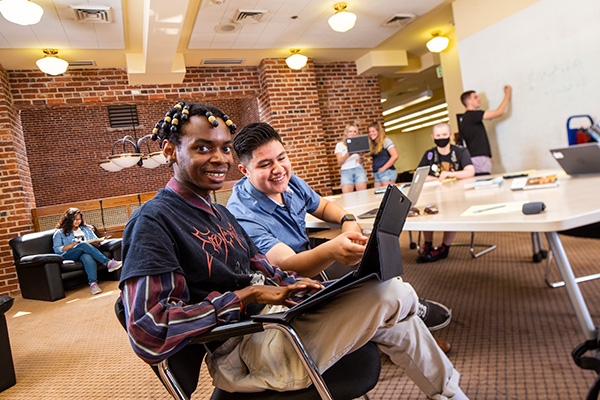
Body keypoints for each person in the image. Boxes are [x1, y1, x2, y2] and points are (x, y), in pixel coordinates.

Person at [119, 102, 469, 399]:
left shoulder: (218, 213)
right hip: (248, 349)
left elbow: (264, 269)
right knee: (392, 292)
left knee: (389, 305)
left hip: (278, 319)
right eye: (202, 148)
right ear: (169, 151)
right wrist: (248, 294)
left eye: (224, 147)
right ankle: (414, 308)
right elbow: (150, 331)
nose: (218, 158)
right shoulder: (153, 222)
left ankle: (453, 395)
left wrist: (312, 289)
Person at [227, 121, 452, 336]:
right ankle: (410, 308)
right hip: (289, 288)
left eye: (281, 158)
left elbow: (322, 206)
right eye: (265, 165)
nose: (278, 169)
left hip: (313, 266)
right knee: (384, 289)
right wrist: (333, 250)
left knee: (379, 277)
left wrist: (348, 219)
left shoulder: (290, 181)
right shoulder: (243, 214)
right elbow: (286, 265)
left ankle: (423, 339)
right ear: (244, 171)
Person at [416, 123, 475, 263]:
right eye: (438, 135)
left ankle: (444, 247)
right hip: (434, 193)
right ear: (432, 137)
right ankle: (428, 245)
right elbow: (418, 175)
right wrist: (437, 178)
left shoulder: (460, 151)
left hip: (457, 194)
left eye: (444, 135)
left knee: (451, 211)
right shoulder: (429, 154)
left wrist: (448, 174)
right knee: (427, 209)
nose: (441, 138)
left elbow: (470, 171)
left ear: (449, 135)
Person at [52, 208, 122, 294]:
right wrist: (72, 245)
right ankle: (108, 263)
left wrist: (97, 242)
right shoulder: (59, 233)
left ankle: (93, 284)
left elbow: (94, 239)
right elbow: (57, 249)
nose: (78, 221)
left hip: (84, 252)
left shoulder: (86, 229)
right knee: (82, 245)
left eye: (79, 219)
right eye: (75, 219)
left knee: (86, 256)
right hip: (69, 254)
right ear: (69, 219)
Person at [459, 85, 512, 175]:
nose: (478, 99)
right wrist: (507, 94)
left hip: (478, 158)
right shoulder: (471, 115)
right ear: (468, 102)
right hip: (479, 159)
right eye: (475, 97)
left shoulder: (468, 118)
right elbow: (499, 112)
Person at [334, 122, 367, 193]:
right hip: (346, 172)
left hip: (359, 170)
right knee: (348, 197)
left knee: (363, 195)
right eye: (350, 131)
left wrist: (361, 156)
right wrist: (347, 155)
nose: (353, 134)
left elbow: (360, 162)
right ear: (346, 133)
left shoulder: (359, 145)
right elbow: (339, 162)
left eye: (355, 131)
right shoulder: (340, 145)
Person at [368, 121, 398, 187]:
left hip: (387, 172)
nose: (371, 133)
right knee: (378, 195)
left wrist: (384, 168)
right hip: (377, 173)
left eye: (373, 131)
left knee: (388, 195)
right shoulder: (374, 144)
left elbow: (395, 156)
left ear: (378, 131)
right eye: (370, 132)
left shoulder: (385, 141)